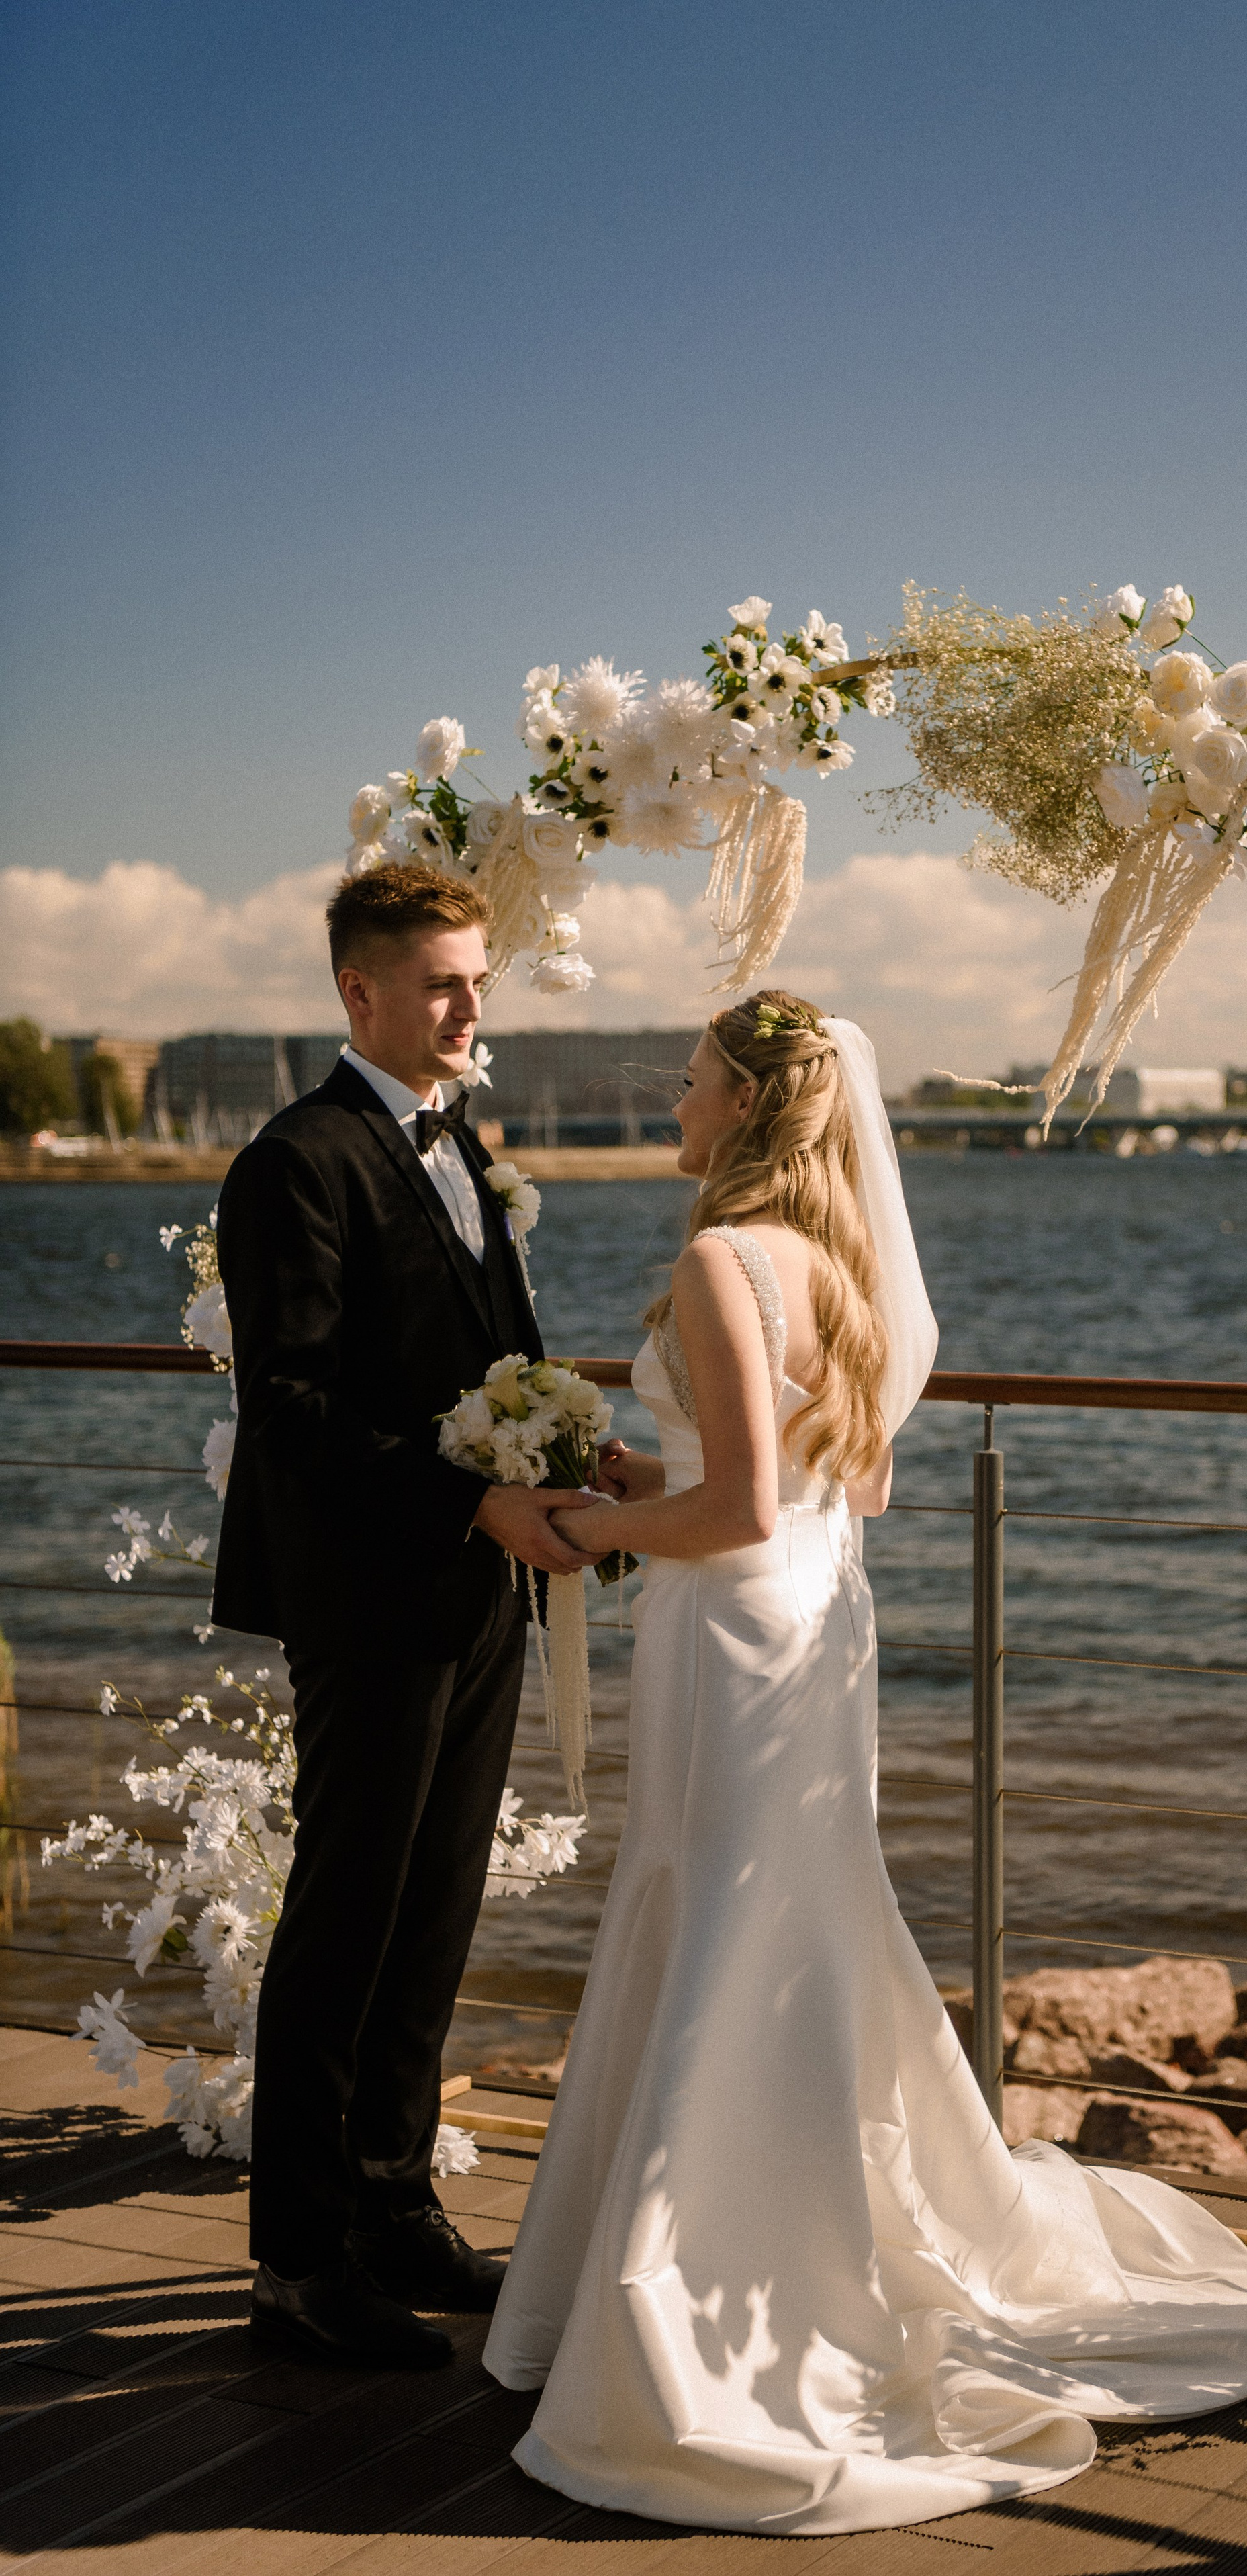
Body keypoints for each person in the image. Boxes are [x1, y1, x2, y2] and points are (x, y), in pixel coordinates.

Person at [483, 989, 1247, 2534]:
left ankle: (709, 2278)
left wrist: (580, 1525)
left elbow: (732, 1512)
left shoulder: (723, 1259)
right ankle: (734, 2231)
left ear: (740, 1104)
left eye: (688, 1082)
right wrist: (636, 1473)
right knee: (775, 1917)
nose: (671, 1101)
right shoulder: (841, 1267)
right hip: (809, 1633)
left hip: (733, 1636)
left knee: (726, 1919)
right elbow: (811, 1486)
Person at [214, 861, 592, 2370]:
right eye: (441, 982)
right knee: (346, 1916)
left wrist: (563, 1462)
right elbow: (291, 1409)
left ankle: (391, 2200)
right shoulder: (294, 1164)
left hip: (479, 1586)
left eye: (478, 980)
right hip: (369, 1596)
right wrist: (465, 1501)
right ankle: (297, 2262)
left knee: (434, 1910)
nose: (469, 1006)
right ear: (357, 992)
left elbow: (487, 1352)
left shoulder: (465, 1145)